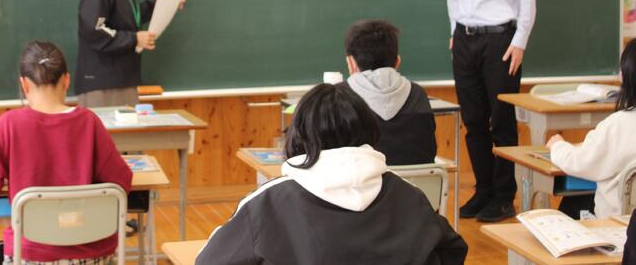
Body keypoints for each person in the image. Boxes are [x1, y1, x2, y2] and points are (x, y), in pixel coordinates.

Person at [196, 83, 468, 265]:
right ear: (369, 130)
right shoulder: (409, 196)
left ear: (299, 135)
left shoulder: (267, 203)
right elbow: (452, 250)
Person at [0, 41, 132, 264]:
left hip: (30, 254)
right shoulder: (89, 122)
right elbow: (122, 180)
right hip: (91, 253)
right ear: (67, 80)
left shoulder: (8, 124)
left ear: (24, 84)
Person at [447, 0, 536, 222]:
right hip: (464, 37)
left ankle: (503, 197)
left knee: (502, 121)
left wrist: (520, 40)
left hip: (501, 39)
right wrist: (454, 28)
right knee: (473, 121)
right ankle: (483, 191)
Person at [546, 39, 636, 219]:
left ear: (624, 77)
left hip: (618, 224)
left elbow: (578, 162)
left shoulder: (616, 125)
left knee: (573, 200)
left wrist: (557, 146)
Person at [343, 19, 437, 165]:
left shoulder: (341, 97)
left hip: (364, 179)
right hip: (417, 179)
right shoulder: (418, 94)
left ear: (351, 63)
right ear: (397, 62)